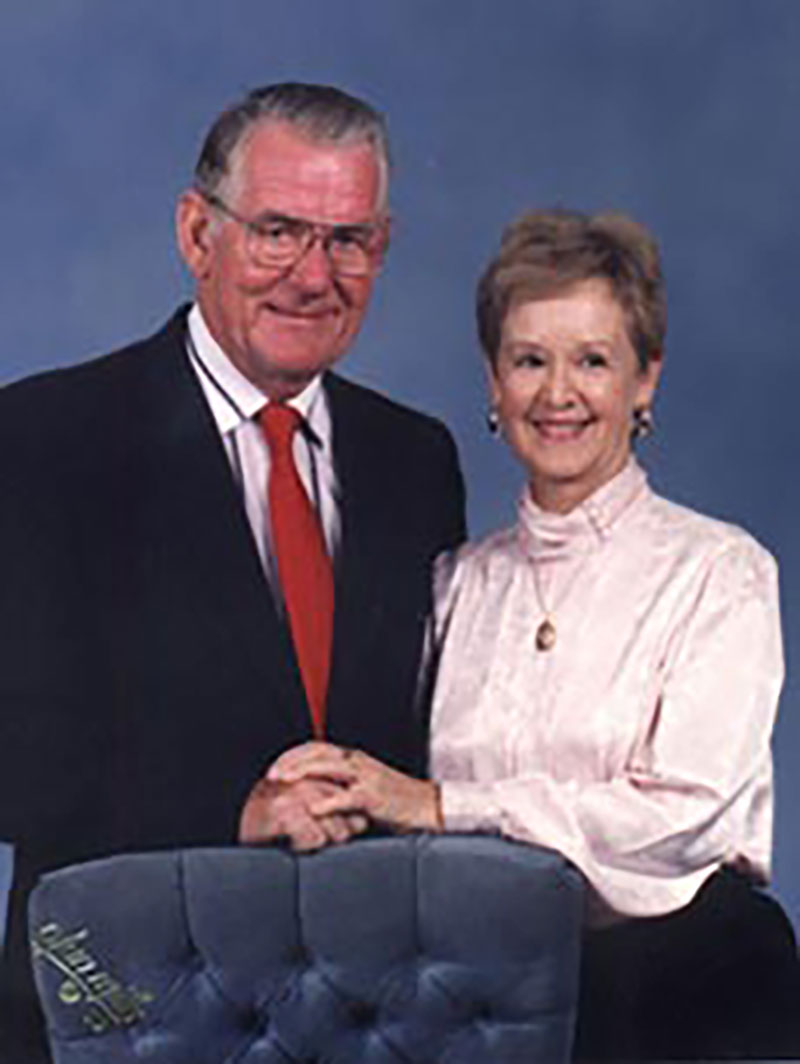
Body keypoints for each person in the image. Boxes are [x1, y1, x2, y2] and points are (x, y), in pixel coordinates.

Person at [265, 208, 800, 1059]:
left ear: (646, 379)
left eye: (593, 360)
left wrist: (441, 805)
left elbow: (685, 815)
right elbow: (384, 788)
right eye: (529, 360)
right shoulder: (453, 587)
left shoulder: (719, 573)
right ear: (494, 381)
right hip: (474, 995)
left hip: (688, 993)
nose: (558, 394)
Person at [0, 83, 465, 1058]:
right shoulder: (41, 439)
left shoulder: (414, 460)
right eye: (279, 231)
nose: (312, 273)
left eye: (348, 238)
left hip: (364, 1010)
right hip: (119, 1000)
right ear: (195, 231)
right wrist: (234, 805)